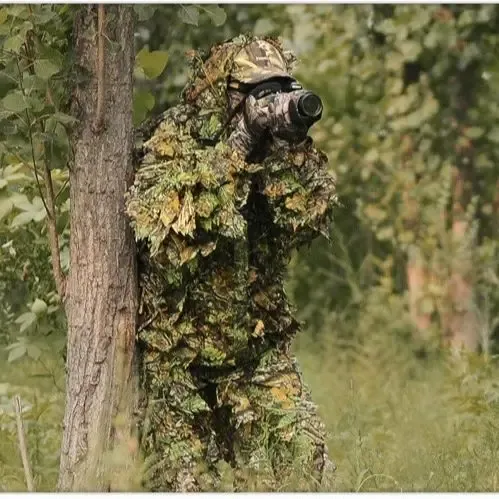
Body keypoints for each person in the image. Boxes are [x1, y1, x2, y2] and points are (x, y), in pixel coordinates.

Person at [126, 35, 337, 492]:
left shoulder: (277, 153)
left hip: (254, 353)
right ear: (227, 95)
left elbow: (311, 214)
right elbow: (170, 226)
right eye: (260, 94)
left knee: (309, 467)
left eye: (280, 90)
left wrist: (289, 142)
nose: (271, 104)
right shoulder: (173, 140)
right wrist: (240, 141)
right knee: (187, 486)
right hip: (179, 364)